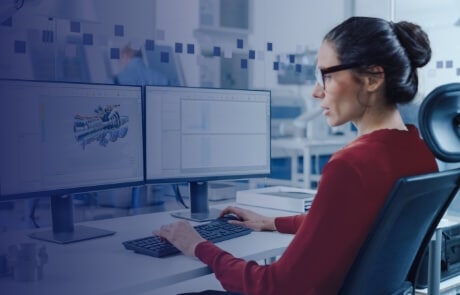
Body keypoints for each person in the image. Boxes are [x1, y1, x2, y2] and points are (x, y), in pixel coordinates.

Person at [154, 16, 438, 295]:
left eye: (326, 76)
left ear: (373, 78)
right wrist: (272, 222)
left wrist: (198, 246)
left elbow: (277, 287)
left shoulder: (351, 166)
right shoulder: (420, 154)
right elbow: (354, 222)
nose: (316, 91)